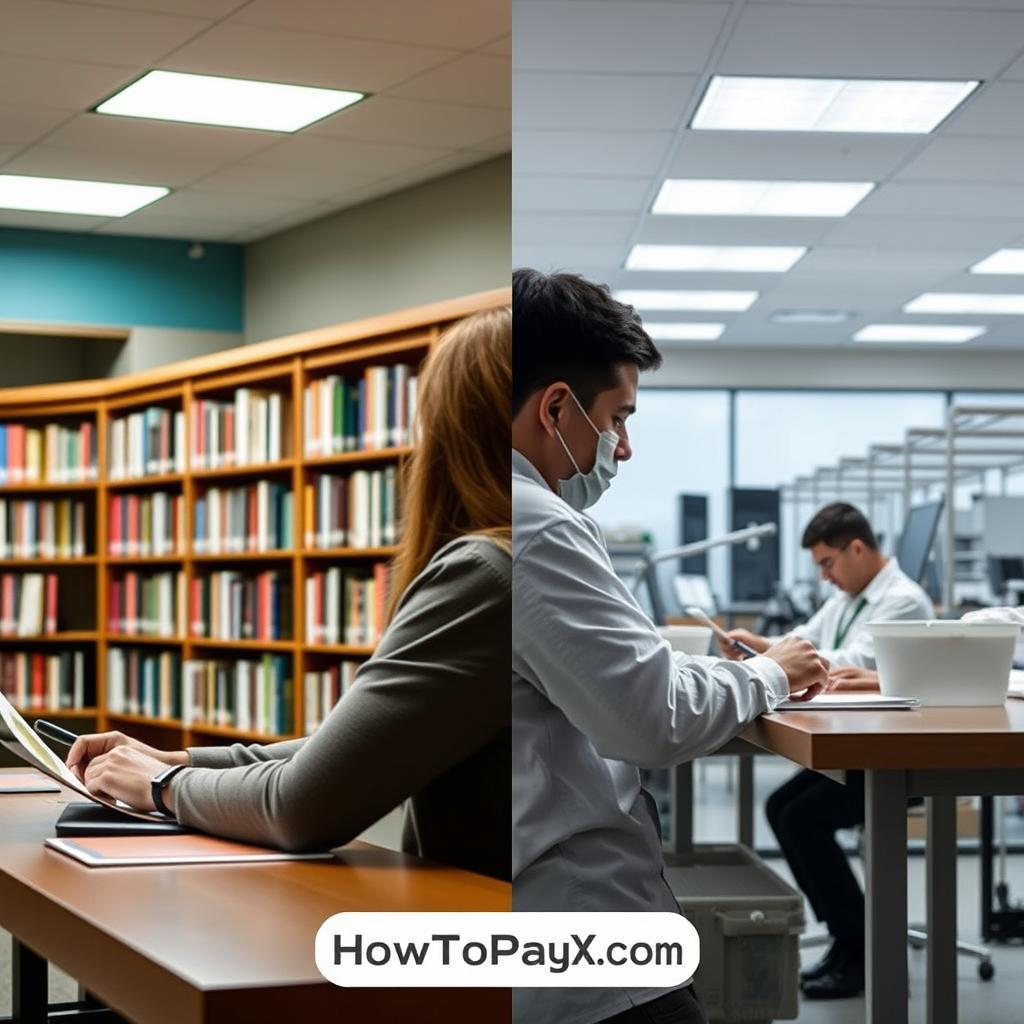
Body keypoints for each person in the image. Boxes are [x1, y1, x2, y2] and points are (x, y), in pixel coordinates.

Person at [66, 307, 512, 881]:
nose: (621, 448)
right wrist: (178, 760)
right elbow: (351, 750)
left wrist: (161, 786)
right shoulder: (517, 565)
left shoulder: (485, 573)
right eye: (614, 418)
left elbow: (303, 804)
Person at [512, 268, 830, 1024]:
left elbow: (614, 674)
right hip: (583, 944)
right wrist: (769, 675)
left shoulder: (485, 511)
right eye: (618, 416)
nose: (623, 447)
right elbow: (649, 718)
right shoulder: (541, 525)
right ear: (557, 407)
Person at [735, 504, 935, 1000]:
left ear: (858, 548)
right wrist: (764, 648)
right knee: (782, 808)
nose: (825, 576)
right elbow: (807, 640)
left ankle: (860, 947)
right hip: (860, 745)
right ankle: (850, 941)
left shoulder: (902, 601)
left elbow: (847, 664)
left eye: (828, 563)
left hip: (895, 756)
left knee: (802, 819)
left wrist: (782, 659)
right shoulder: (851, 597)